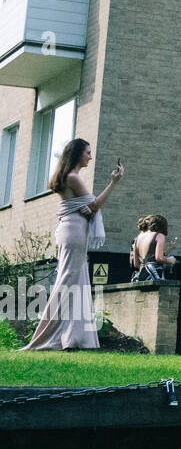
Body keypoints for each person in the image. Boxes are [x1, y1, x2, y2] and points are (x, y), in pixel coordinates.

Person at [23, 140, 124, 351]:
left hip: (71, 230)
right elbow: (94, 205)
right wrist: (114, 182)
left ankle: (73, 338)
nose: (90, 156)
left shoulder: (67, 177)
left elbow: (89, 207)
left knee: (76, 283)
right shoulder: (73, 177)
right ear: (78, 154)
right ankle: (46, 337)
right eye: (88, 152)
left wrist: (89, 207)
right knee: (67, 284)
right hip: (74, 232)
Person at [130, 214, 176, 282]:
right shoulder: (159, 236)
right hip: (154, 275)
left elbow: (136, 264)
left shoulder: (137, 238)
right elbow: (159, 258)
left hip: (141, 275)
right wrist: (171, 260)